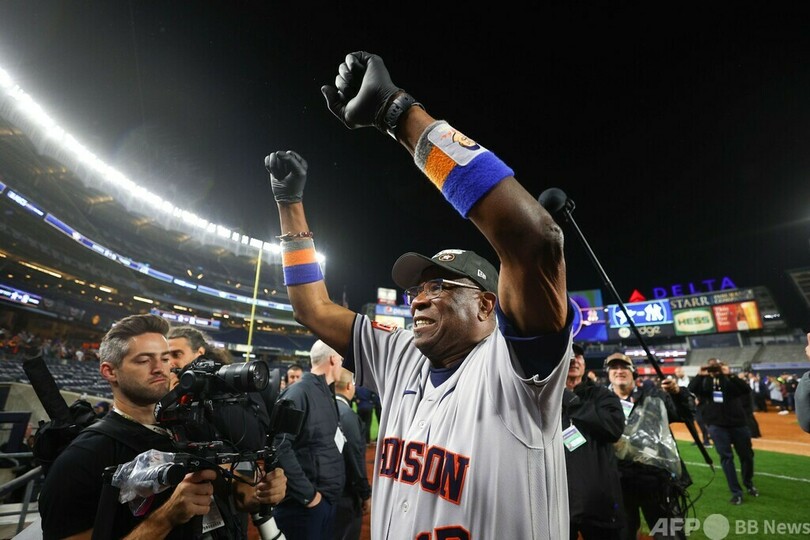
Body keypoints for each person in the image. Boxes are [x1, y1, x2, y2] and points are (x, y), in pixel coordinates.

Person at [265, 50, 572, 539]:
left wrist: (398, 113)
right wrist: (290, 206)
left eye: (438, 286)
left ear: (486, 304)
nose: (418, 299)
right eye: (416, 289)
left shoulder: (517, 368)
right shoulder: (401, 355)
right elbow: (313, 308)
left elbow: (536, 239)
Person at [38, 314, 286, 539]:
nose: (160, 368)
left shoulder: (190, 429)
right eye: (144, 360)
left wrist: (259, 492)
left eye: (165, 358)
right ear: (109, 371)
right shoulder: (84, 455)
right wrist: (166, 518)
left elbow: (234, 496)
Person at [605, 352, 694, 540]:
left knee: (669, 535)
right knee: (622, 534)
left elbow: (685, 414)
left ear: (633, 372)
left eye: (624, 367)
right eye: (614, 368)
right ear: (608, 373)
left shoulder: (654, 396)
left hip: (656, 480)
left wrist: (677, 393)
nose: (619, 371)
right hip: (618, 480)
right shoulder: (600, 401)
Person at [272, 340, 346, 539]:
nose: (342, 364)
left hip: (324, 502)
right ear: (333, 359)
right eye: (341, 359)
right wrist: (309, 496)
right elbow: (279, 445)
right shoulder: (298, 392)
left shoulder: (325, 392)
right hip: (304, 508)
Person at [166, 325, 270, 452]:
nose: (170, 363)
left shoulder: (229, 383)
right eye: (166, 357)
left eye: (176, 355)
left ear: (200, 353)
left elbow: (255, 442)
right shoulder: (171, 387)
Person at [562, 344, 625, 539]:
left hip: (598, 501)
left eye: (579, 356)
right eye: (569, 355)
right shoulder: (544, 397)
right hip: (559, 500)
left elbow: (614, 429)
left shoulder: (602, 395)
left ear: (584, 363)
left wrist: (571, 402)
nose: (574, 360)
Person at [688, 359, 757, 505]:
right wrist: (700, 375)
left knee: (747, 456)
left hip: (738, 423)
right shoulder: (704, 381)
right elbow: (691, 389)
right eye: (712, 368)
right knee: (726, 457)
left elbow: (746, 389)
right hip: (716, 425)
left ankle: (748, 483)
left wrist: (729, 374)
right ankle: (736, 492)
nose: (714, 371)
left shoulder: (730, 380)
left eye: (717, 367)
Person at [333, 367, 372, 540]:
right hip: (346, 494)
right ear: (349, 386)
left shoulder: (323, 407)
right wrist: (365, 493)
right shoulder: (348, 415)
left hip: (325, 490)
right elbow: (355, 457)